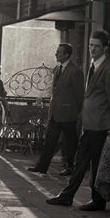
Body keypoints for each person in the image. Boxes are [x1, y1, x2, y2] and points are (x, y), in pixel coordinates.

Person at [46, 30, 110, 211]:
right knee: (81, 162)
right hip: (90, 123)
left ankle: (97, 200)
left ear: (104, 48)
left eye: (96, 46)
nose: (92, 49)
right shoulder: (93, 65)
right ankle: (68, 195)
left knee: (94, 164)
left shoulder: (109, 69)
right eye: (90, 45)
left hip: (100, 125)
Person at [27, 43, 84, 175]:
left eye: (59, 52)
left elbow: (79, 95)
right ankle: (42, 166)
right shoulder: (57, 69)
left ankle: (70, 167)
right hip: (55, 112)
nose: (56, 54)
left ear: (67, 55)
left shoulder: (75, 71)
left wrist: (76, 111)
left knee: (70, 142)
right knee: (49, 140)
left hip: (68, 113)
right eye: (56, 52)